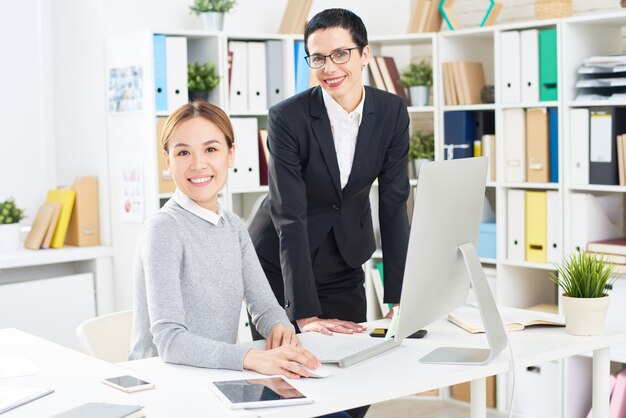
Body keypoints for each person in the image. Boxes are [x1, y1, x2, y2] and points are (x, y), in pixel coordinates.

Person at [128, 100, 320, 379]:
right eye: (183, 152)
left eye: (211, 149)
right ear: (167, 160)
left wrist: (282, 330)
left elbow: (265, 307)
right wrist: (250, 358)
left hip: (217, 377)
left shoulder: (232, 225)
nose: (198, 164)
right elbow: (170, 342)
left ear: (230, 155)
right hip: (166, 385)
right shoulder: (163, 230)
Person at [249, 8, 410, 337]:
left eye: (340, 54)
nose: (329, 68)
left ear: (365, 54)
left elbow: (394, 203)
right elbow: (289, 214)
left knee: (352, 365)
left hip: (345, 257)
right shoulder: (287, 118)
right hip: (282, 263)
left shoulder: (391, 112)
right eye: (318, 58)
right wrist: (305, 316)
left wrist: (399, 297)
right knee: (290, 373)